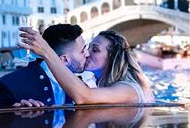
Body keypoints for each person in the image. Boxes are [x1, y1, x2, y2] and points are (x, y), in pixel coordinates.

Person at [19, 27, 154, 104]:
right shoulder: (97, 85)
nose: (87, 54)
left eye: (95, 50)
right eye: (88, 48)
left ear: (113, 58)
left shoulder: (129, 89)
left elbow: (85, 97)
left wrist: (46, 51)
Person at [0, 24, 88, 108]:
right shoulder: (10, 84)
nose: (87, 54)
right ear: (64, 59)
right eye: (83, 51)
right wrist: (16, 114)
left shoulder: (81, 84)